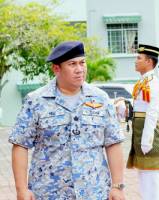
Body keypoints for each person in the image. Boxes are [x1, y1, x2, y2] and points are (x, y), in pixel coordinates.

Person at [9, 41, 126, 200]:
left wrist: (118, 186)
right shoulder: (36, 101)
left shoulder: (100, 98)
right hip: (49, 192)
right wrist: (21, 189)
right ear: (56, 68)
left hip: (94, 191)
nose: (80, 69)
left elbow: (113, 143)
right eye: (72, 64)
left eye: (82, 63)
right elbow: (20, 145)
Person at [126, 44, 159, 200]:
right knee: (144, 175)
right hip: (140, 131)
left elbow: (152, 113)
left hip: (147, 134)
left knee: (152, 177)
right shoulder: (143, 81)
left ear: (149, 61)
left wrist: (147, 140)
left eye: (139, 58)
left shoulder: (152, 83)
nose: (136, 61)